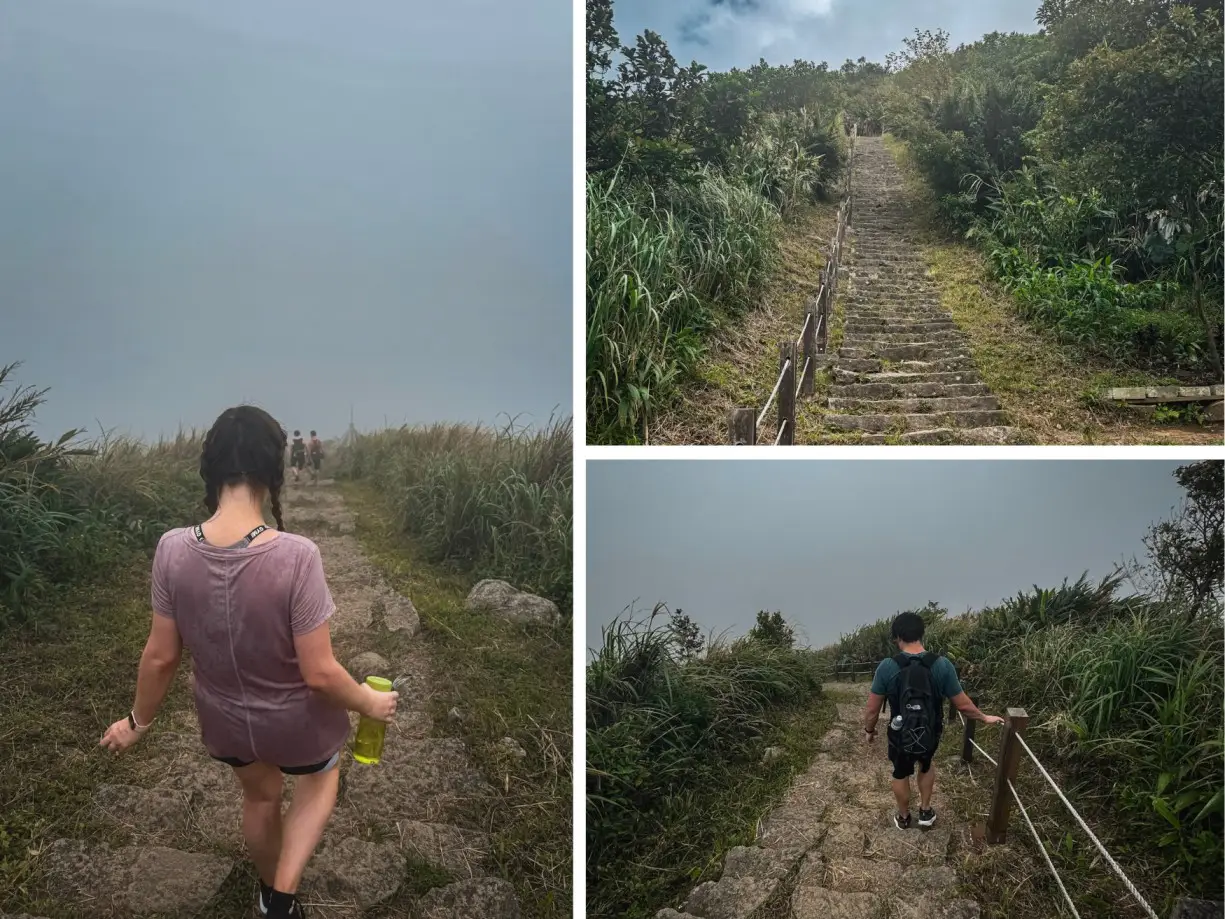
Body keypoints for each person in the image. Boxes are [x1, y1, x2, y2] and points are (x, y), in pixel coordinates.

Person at [99, 405, 399, 919]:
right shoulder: (296, 555)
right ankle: (281, 899)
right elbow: (321, 673)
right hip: (298, 726)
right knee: (322, 777)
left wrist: (137, 723)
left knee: (260, 800)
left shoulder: (171, 549)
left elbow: (161, 655)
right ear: (272, 470)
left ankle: (266, 889)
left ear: (210, 469)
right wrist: (370, 702)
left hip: (228, 724)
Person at [860, 611, 1003, 830]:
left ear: (897, 637)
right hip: (930, 729)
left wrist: (869, 730)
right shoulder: (942, 665)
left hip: (899, 731)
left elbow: (872, 709)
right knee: (926, 766)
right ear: (921, 634)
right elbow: (963, 704)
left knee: (900, 771)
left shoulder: (888, 666)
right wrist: (984, 717)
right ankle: (926, 812)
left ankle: (904, 817)